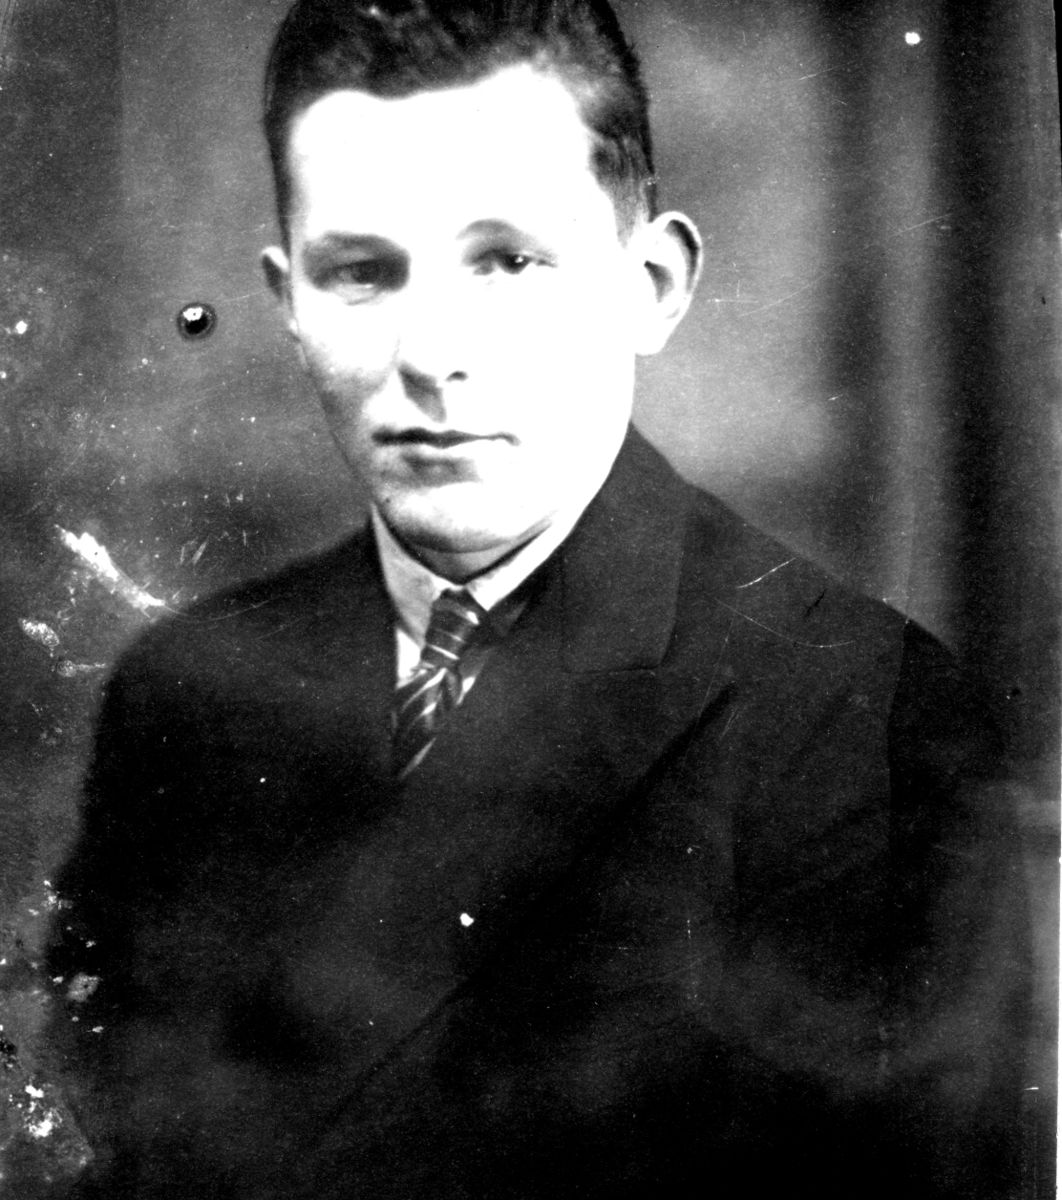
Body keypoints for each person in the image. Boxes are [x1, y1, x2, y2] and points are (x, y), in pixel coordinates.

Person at [47, 1, 1028, 1197]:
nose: (431, 355)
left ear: (652, 285)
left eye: (507, 260)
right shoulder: (184, 694)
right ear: (288, 300)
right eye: (361, 273)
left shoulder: (863, 719)